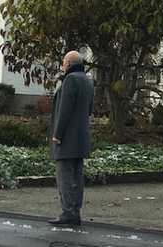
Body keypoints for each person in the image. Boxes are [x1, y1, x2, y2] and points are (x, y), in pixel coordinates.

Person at [48, 51, 94, 226]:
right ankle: (75, 211)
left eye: (64, 61)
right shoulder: (88, 80)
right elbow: (89, 109)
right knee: (77, 177)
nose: (62, 64)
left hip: (67, 138)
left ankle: (68, 212)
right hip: (81, 137)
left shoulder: (70, 80)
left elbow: (64, 110)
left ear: (68, 63)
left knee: (65, 177)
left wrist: (57, 135)